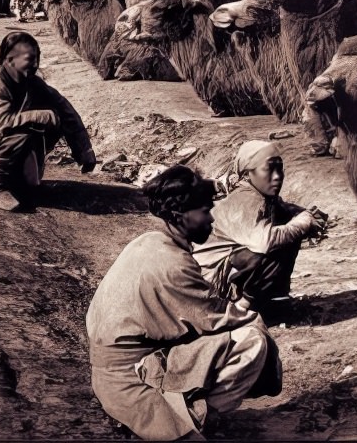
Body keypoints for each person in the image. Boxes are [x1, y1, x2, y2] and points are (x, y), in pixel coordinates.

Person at [87, 165, 281, 441]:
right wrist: (255, 321)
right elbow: (215, 316)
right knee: (251, 339)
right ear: (180, 215)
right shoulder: (173, 263)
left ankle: (181, 405)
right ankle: (197, 414)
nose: (211, 218)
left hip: (110, 369)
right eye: (204, 211)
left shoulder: (149, 241)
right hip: (130, 377)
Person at [0, 31, 96, 210]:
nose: (35, 64)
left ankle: (18, 180)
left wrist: (84, 152)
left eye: (37, 58)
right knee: (24, 130)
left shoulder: (30, 81)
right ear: (10, 60)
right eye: (29, 59)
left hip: (2, 144)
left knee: (55, 118)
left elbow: (65, 110)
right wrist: (40, 116)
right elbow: (4, 122)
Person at [193, 141, 328, 316]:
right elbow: (265, 242)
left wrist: (305, 215)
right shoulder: (245, 199)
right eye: (269, 169)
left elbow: (285, 209)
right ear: (248, 173)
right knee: (276, 243)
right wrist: (302, 223)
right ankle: (243, 307)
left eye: (280, 168)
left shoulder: (261, 196)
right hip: (213, 284)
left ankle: (272, 301)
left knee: (286, 232)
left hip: (225, 275)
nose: (277, 176)